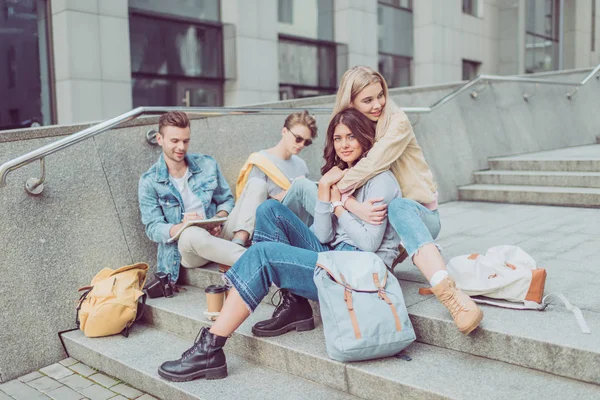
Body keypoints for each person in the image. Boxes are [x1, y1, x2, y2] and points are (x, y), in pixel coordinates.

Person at [158, 108, 402, 382]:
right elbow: (322, 236)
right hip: (333, 258)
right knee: (269, 210)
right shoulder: (344, 176)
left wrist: (339, 204)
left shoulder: (380, 180)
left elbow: (369, 245)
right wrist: (324, 191)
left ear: (366, 139)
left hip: (356, 275)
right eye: (337, 138)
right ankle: (295, 303)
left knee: (263, 254)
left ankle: (211, 348)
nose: (344, 145)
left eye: (351, 137)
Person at [328, 66, 483, 335]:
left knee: (399, 207)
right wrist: (344, 202)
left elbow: (372, 164)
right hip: (379, 222)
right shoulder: (349, 131)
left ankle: (452, 297)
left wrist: (334, 192)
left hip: (417, 212)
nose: (378, 104)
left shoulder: (396, 122)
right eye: (368, 100)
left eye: (381, 95)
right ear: (350, 103)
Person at [139, 111, 255, 285]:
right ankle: (255, 260)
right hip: (190, 249)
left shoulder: (207, 163)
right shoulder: (149, 181)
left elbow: (226, 199)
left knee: (257, 184)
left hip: (218, 231)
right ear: (159, 139)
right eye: (175, 141)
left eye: (186, 141)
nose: (181, 147)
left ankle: (237, 244)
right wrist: (182, 226)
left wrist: (217, 219)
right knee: (190, 233)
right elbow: (153, 228)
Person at [234, 110, 318, 244]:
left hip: (294, 226)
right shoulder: (261, 160)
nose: (301, 145)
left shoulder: (301, 165)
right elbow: (252, 201)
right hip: (265, 227)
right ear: (284, 131)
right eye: (298, 138)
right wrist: (282, 196)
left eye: (306, 142)